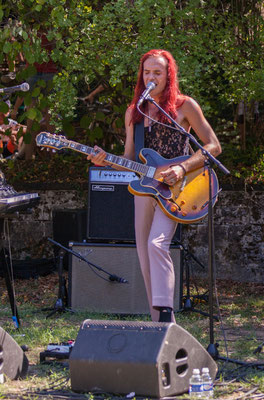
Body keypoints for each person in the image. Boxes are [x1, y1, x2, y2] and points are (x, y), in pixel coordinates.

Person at [88, 49, 222, 322]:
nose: (151, 77)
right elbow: (128, 158)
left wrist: (181, 167)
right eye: (147, 72)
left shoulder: (185, 106)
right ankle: (160, 324)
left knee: (157, 244)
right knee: (144, 252)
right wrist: (104, 160)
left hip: (178, 187)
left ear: (169, 75)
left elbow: (213, 145)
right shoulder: (134, 111)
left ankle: (165, 314)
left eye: (157, 72)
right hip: (144, 189)